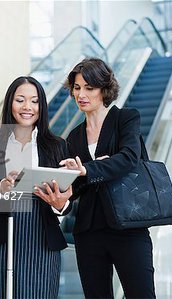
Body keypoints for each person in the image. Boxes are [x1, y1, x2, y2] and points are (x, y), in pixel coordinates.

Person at [60, 58, 156, 298]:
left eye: (89, 88)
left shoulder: (126, 118)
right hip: (89, 231)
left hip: (128, 226)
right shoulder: (73, 136)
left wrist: (88, 170)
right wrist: (68, 190)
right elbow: (81, 184)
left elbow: (129, 158)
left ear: (104, 89)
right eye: (77, 87)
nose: (81, 94)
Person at [0, 76, 73, 298]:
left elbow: (66, 201)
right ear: (10, 104)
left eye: (34, 101)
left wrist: (60, 204)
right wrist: (1, 188)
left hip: (41, 238)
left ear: (42, 106)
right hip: (0, 237)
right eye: (20, 100)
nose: (28, 107)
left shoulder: (57, 146)